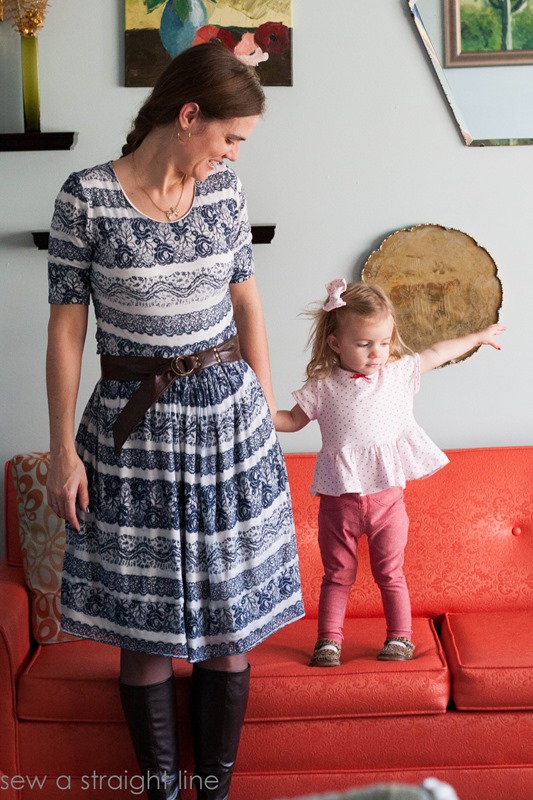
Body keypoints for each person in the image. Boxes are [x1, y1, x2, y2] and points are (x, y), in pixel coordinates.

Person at [45, 42, 304, 800]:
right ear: (189, 116)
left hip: (229, 424)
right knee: (144, 628)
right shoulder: (85, 197)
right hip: (133, 432)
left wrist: (263, 411)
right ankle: (161, 793)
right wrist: (62, 451)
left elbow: (247, 303)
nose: (233, 154)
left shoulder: (224, 192)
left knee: (230, 624)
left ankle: (213, 791)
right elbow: (67, 330)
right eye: (230, 137)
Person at [275, 279, 504, 667]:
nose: (376, 352)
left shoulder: (396, 374)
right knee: (337, 575)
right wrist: (256, 411)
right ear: (336, 344)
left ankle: (400, 638)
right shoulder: (323, 386)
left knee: (390, 573)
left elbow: (436, 352)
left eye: (383, 342)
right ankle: (328, 642)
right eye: (364, 344)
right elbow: (291, 421)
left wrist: (478, 337)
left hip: (387, 502)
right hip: (338, 502)